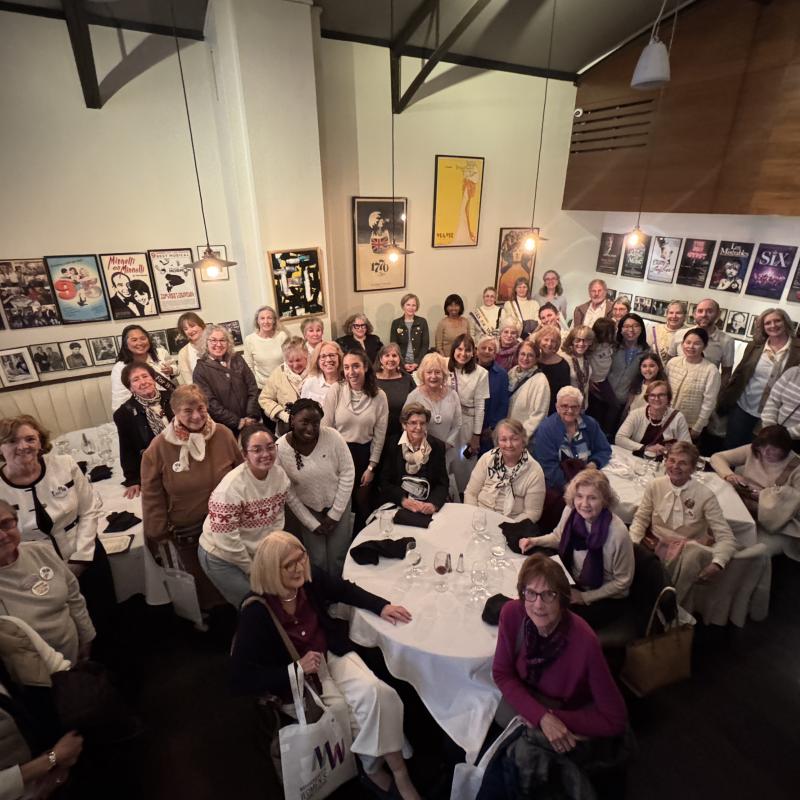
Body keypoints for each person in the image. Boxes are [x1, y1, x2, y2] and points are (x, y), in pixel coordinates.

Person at [229, 533, 422, 800]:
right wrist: (295, 668)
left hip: (328, 655)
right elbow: (240, 678)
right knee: (349, 715)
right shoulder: (256, 612)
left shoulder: (307, 580)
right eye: (289, 564)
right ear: (272, 569)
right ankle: (372, 769)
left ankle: (400, 774)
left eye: (301, 558)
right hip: (297, 682)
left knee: (378, 693)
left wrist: (381, 606)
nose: (299, 568)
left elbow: (344, 590)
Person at [482, 554, 628, 798]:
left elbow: (616, 719)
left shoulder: (584, 641)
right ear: (522, 594)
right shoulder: (512, 614)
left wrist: (552, 719)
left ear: (563, 600)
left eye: (549, 595)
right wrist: (541, 718)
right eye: (531, 593)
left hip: (563, 708)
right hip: (530, 699)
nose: (538, 605)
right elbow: (502, 673)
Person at [0, 416, 112, 627]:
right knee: (56, 625)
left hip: (85, 552)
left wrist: (80, 558)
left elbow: (89, 509)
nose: (23, 446)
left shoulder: (64, 465)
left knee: (103, 614)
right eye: (13, 441)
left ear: (40, 442)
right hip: (34, 569)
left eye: (30, 439)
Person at [140, 385, 243, 611]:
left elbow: (242, 474)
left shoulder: (223, 434)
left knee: (232, 578)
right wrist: (157, 530)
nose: (196, 416)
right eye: (188, 411)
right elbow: (151, 493)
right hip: (189, 530)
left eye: (201, 408)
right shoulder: (159, 448)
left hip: (227, 526)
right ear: (175, 412)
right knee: (202, 584)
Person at [519, 471, 634, 628]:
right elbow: (558, 538)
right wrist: (534, 541)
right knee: (533, 594)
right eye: (579, 496)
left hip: (603, 596)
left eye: (592, 497)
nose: (584, 503)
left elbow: (623, 583)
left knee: (551, 617)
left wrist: (584, 597)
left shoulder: (618, 533)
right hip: (573, 580)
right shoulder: (571, 511)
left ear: (605, 500)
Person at [629, 441, 738, 603]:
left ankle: (669, 609)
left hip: (685, 555)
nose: (675, 466)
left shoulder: (705, 495)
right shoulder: (655, 485)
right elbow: (641, 519)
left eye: (683, 463)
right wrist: (632, 546)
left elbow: (726, 537)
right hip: (654, 544)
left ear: (693, 468)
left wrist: (718, 563)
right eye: (672, 460)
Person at [197, 425, 290, 608]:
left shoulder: (279, 477)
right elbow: (226, 540)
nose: (266, 454)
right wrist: (252, 569)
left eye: (270, 447)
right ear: (244, 454)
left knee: (272, 598)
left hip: (250, 550)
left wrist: (268, 558)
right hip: (221, 555)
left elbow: (277, 520)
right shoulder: (230, 488)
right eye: (257, 449)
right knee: (255, 605)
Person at [0, 500, 95, 664]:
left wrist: (86, 637)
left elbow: (73, 596)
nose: (2, 535)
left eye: (5, 524)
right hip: (31, 675)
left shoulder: (41, 551)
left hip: (74, 656)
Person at [275, 400, 354, 576]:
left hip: (338, 503)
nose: (310, 428)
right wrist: (311, 523)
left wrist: (335, 514)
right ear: (293, 419)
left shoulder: (333, 437)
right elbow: (288, 493)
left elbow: (348, 473)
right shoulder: (280, 449)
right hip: (309, 510)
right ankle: (322, 597)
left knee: (338, 556)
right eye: (305, 422)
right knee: (316, 559)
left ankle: (340, 596)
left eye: (316, 423)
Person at [322, 350, 388, 534]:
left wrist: (372, 467)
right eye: (347, 367)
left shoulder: (379, 396)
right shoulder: (336, 390)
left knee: (362, 506)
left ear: (366, 367)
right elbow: (325, 428)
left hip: (364, 457)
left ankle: (361, 544)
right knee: (341, 505)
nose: (351, 372)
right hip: (339, 455)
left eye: (356, 366)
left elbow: (379, 435)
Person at [710, 425, 800, 559]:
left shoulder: (795, 466)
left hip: (775, 523)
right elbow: (717, 457)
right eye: (763, 448)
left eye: (772, 450)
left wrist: (765, 497)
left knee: (748, 553)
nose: (765, 453)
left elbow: (796, 502)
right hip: (742, 507)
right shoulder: (753, 451)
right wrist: (729, 475)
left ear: (785, 449)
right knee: (716, 532)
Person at [718, 308, 800, 449]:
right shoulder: (754, 346)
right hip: (744, 407)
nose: (773, 325)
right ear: (762, 327)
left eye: (777, 321)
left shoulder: (798, 350)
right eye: (768, 323)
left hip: (776, 414)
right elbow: (739, 373)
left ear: (786, 322)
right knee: (732, 446)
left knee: (763, 452)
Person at [465, 418, 545, 523]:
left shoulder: (534, 471)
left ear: (523, 440)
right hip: (479, 518)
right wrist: (475, 517)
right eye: (503, 439)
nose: (509, 445)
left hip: (512, 524)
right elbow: (471, 493)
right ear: (497, 442)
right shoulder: (487, 458)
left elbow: (532, 513)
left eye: (514, 439)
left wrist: (508, 527)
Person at [113, 363, 174, 499]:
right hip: (156, 466)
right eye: (136, 379)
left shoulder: (174, 398)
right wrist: (132, 479)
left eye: (145, 376)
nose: (143, 382)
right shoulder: (124, 413)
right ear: (130, 388)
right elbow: (127, 448)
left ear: (153, 379)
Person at [533, 387, 612, 490]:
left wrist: (594, 463)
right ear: (557, 407)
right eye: (564, 406)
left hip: (586, 479)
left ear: (580, 408)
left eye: (574, 407)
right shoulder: (546, 429)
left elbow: (604, 449)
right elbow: (548, 467)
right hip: (556, 486)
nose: (569, 410)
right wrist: (571, 488)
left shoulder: (590, 424)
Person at [378, 403, 449, 515]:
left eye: (422, 423)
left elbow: (442, 484)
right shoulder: (392, 444)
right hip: (399, 504)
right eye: (413, 423)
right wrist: (403, 501)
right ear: (404, 425)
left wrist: (433, 504)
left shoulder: (437, 446)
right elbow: (384, 482)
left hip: (426, 505)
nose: (418, 427)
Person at [192, 324, 261, 435]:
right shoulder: (200, 371)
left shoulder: (237, 359)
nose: (218, 344)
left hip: (251, 422)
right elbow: (210, 403)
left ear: (228, 342)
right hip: (225, 429)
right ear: (206, 343)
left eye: (222, 340)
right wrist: (237, 422)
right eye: (213, 340)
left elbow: (252, 387)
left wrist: (251, 416)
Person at [404, 353, 462, 471]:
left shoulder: (453, 395)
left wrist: (447, 445)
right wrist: (420, 446)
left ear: (443, 374)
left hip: (446, 451)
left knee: (443, 484)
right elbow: (405, 423)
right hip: (419, 452)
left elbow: (457, 424)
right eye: (429, 372)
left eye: (437, 372)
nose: (433, 376)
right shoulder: (414, 396)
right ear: (422, 374)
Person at [448, 334, 490, 491]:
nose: (463, 353)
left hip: (467, 422)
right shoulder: (445, 366)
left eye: (468, 350)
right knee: (447, 461)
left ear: (474, 352)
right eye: (459, 349)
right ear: (453, 350)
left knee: (464, 463)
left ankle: (465, 496)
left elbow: (480, 406)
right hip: (447, 421)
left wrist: (476, 436)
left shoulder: (481, 373)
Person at [665, 327, 721, 440]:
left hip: (689, 424)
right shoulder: (672, 363)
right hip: (665, 417)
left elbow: (709, 403)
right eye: (688, 342)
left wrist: (698, 427)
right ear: (682, 344)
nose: (691, 347)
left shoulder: (711, 370)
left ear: (704, 346)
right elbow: (664, 389)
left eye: (697, 343)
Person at [668, 298, 735, 389]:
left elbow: (726, 372)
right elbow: (669, 361)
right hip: (675, 387)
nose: (704, 315)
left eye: (709, 311)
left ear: (718, 314)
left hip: (704, 391)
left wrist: (718, 394)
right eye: (700, 311)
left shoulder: (727, 341)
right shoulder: (680, 334)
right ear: (694, 314)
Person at [615, 380, 691, 456]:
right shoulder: (636, 414)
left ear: (668, 397)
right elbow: (619, 438)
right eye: (652, 395)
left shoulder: (678, 417)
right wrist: (647, 448)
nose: (656, 399)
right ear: (647, 398)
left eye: (661, 395)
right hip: (636, 458)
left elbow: (687, 447)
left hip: (664, 462)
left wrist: (670, 451)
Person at [110, 324, 176, 410]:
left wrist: (172, 370)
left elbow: (175, 368)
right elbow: (120, 401)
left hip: (170, 405)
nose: (140, 343)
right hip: (143, 410)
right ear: (125, 344)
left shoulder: (161, 353)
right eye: (134, 340)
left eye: (143, 338)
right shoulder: (120, 368)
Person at [258, 336, 308, 435]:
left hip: (312, 428)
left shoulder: (315, 371)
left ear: (306, 355)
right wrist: (281, 414)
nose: (295, 365)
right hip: (287, 430)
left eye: (298, 360)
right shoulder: (278, 373)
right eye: (290, 361)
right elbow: (264, 399)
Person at [607, 314, 649, 421]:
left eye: (635, 326)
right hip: (603, 398)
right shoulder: (611, 347)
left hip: (626, 404)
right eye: (626, 326)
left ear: (642, 329)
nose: (631, 329)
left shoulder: (647, 352)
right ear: (620, 329)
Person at [507, 340, 550, 441]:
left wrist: (522, 435)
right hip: (507, 431)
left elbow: (540, 413)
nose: (525, 358)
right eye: (522, 354)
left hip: (524, 437)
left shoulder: (541, 380)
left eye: (530, 355)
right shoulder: (512, 373)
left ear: (536, 359)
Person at [476, 335, 510, 454]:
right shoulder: (468, 370)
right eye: (483, 348)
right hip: (467, 427)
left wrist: (492, 428)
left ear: (495, 354)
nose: (486, 351)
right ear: (477, 350)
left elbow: (503, 404)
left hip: (488, 431)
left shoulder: (502, 375)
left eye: (490, 349)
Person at [374, 343, 416, 440]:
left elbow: (416, 402)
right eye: (387, 355)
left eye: (394, 355)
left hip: (401, 432)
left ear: (399, 359)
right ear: (380, 359)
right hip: (376, 432)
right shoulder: (372, 379)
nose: (391, 359)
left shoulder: (407, 378)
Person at [243, 305, 288, 389]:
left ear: (274, 320)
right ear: (257, 321)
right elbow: (249, 367)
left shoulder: (282, 336)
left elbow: (288, 362)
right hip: (262, 388)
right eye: (262, 318)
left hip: (283, 384)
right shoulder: (249, 340)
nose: (266, 321)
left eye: (269, 318)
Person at [531, 325, 570, 416]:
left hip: (552, 410)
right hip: (533, 408)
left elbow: (564, 393)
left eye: (553, 341)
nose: (549, 343)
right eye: (546, 339)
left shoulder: (563, 365)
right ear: (539, 341)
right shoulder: (533, 361)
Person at [762, 365, 800, 450]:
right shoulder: (793, 372)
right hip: (773, 432)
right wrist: (769, 427)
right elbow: (773, 400)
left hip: (796, 440)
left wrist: (786, 435)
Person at [389, 293, 429, 373]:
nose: (411, 308)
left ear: (417, 307)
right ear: (403, 306)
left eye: (414, 305)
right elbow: (394, 346)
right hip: (400, 365)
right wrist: (403, 363)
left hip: (419, 365)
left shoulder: (422, 322)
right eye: (408, 305)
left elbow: (425, 346)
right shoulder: (396, 323)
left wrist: (416, 363)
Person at [300, 340, 344, 406]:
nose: (328, 360)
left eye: (332, 355)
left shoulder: (347, 383)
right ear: (317, 360)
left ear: (339, 358)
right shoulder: (309, 383)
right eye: (323, 356)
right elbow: (302, 411)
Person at [624, 352, 667, 416]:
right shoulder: (637, 383)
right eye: (644, 366)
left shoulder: (662, 388)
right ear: (640, 368)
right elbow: (628, 405)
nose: (647, 369)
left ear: (659, 367)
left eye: (652, 366)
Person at [560, 325, 594, 406]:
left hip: (582, 404)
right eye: (577, 340)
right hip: (567, 406)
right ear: (571, 340)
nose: (581, 344)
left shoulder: (587, 357)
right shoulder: (563, 357)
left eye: (586, 340)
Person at [176, 312, 206, 385]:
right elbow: (189, 382)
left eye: (192, 326)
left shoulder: (214, 343)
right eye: (185, 329)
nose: (190, 331)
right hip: (200, 393)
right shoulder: (183, 353)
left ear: (201, 325)